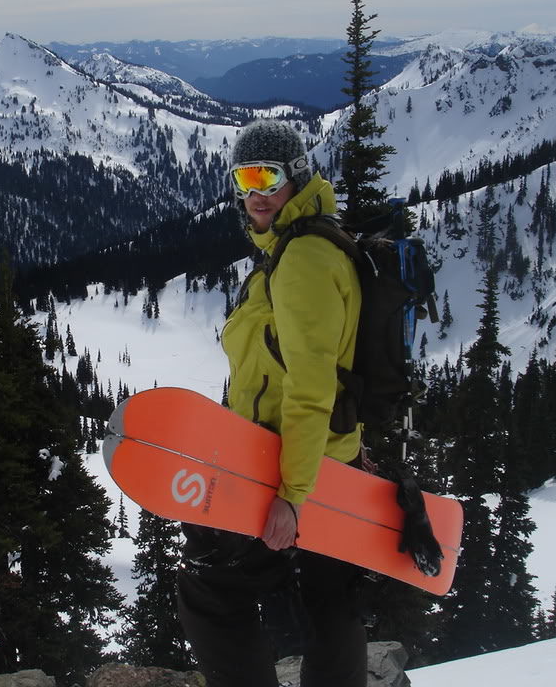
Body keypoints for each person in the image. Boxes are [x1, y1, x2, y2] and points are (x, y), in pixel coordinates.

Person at [176, 119, 367, 687]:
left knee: (212, 587)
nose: (256, 193)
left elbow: (310, 390)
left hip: (286, 463)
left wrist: (291, 495)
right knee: (331, 595)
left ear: (297, 175)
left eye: (269, 176)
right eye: (244, 178)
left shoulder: (303, 260)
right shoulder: (305, 243)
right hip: (330, 458)